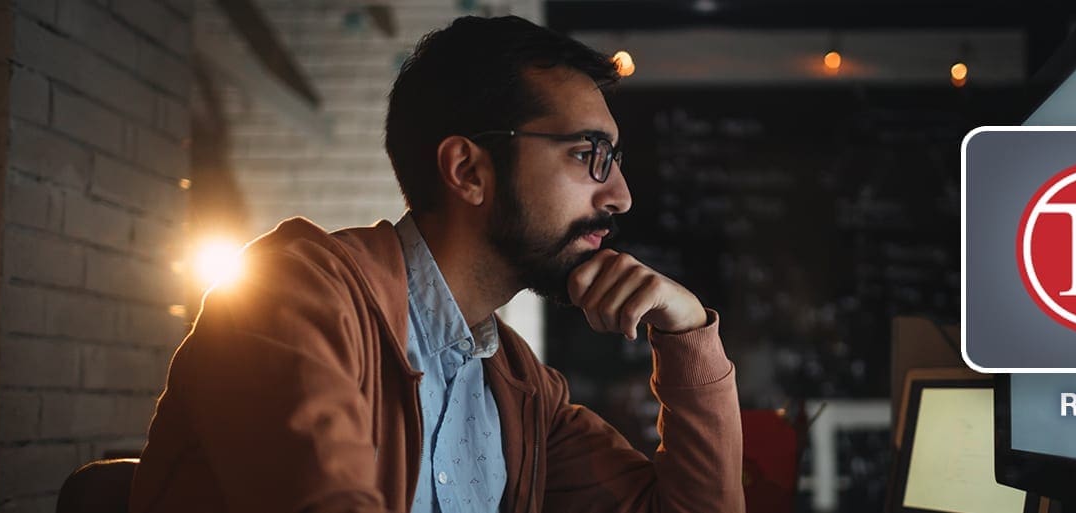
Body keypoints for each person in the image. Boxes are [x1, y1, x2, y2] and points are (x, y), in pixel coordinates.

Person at [129, 15, 744, 513]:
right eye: (588, 154)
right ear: (468, 171)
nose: (620, 196)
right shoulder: (291, 296)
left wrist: (686, 333)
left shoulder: (522, 390)